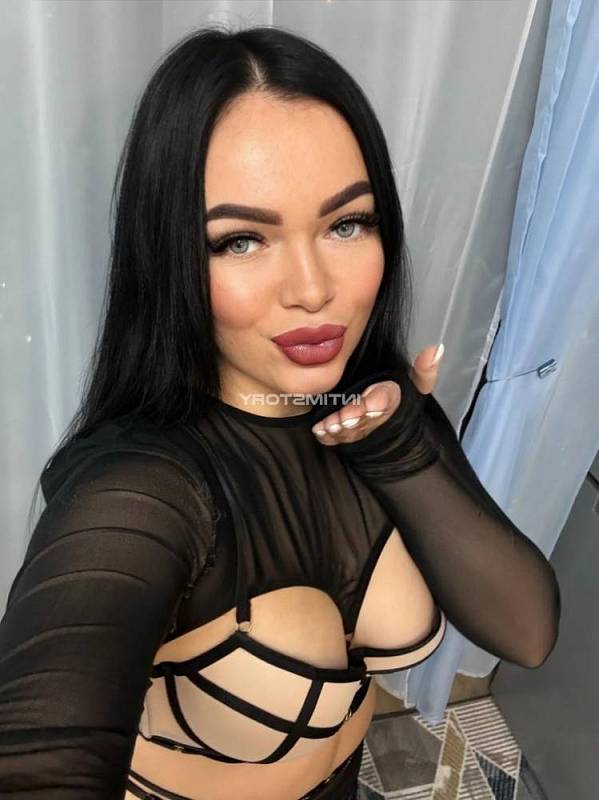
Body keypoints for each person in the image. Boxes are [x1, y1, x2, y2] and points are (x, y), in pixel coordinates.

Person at [0, 24, 560, 800]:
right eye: (240, 241)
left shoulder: (375, 404)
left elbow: (525, 634)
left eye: (345, 224)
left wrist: (402, 447)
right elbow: (40, 757)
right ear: (170, 258)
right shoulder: (139, 487)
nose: (311, 288)